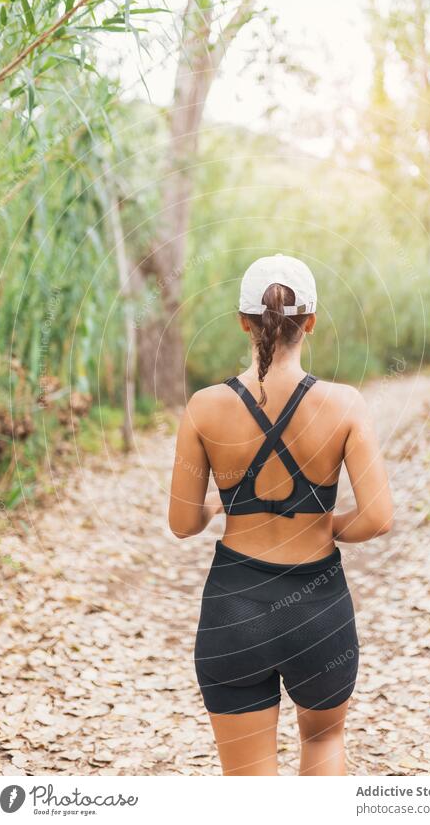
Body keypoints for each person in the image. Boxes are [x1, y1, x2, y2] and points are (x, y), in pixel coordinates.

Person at [168, 254, 393, 776]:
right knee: (323, 742)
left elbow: (182, 523)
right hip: (319, 609)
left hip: (233, 609)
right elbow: (378, 517)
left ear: (243, 321)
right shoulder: (346, 404)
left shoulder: (204, 407)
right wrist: (325, 523)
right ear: (310, 321)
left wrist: (222, 505)